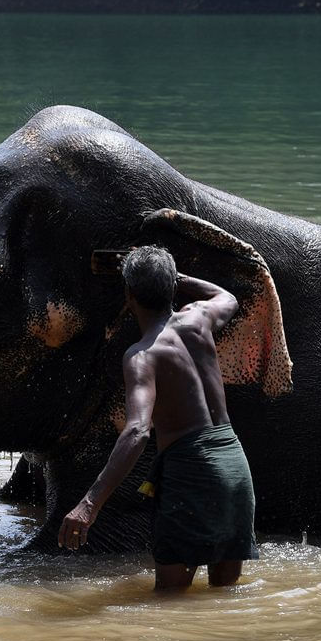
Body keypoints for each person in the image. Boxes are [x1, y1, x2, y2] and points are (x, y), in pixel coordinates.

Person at [57, 246, 258, 590]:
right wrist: (173, 278)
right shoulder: (199, 319)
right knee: (225, 596)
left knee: (170, 600)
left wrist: (89, 504)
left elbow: (137, 431)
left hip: (191, 472)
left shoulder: (142, 356)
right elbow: (226, 296)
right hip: (235, 466)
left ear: (129, 296)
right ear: (171, 288)